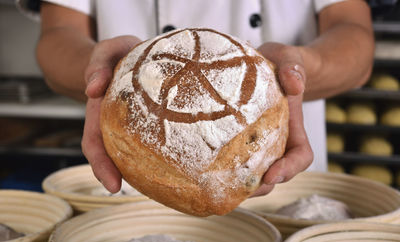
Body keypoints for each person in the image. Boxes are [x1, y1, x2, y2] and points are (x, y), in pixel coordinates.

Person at [21, 0, 374, 195]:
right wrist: (103, 72)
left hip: (280, 167)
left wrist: (298, 68)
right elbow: (58, 35)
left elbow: (353, 33)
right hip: (132, 181)